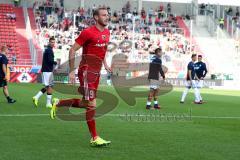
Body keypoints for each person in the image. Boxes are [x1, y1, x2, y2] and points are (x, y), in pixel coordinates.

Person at [50, 7, 112, 147]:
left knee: (86, 103)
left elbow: (103, 50)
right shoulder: (88, 32)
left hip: (96, 73)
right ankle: (94, 138)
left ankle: (58, 103)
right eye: (104, 15)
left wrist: (106, 64)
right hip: (86, 71)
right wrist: (71, 71)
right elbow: (73, 49)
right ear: (96, 17)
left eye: (108, 15)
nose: (107, 17)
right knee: (92, 104)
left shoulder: (107, 32)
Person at [33, 37, 57, 108]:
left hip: (47, 70)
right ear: (49, 42)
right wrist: (55, 62)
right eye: (52, 42)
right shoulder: (49, 50)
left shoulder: (48, 50)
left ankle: (36, 97)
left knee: (48, 86)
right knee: (50, 86)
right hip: (47, 71)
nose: (53, 43)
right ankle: (48, 103)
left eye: (54, 42)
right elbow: (50, 61)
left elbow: (48, 60)